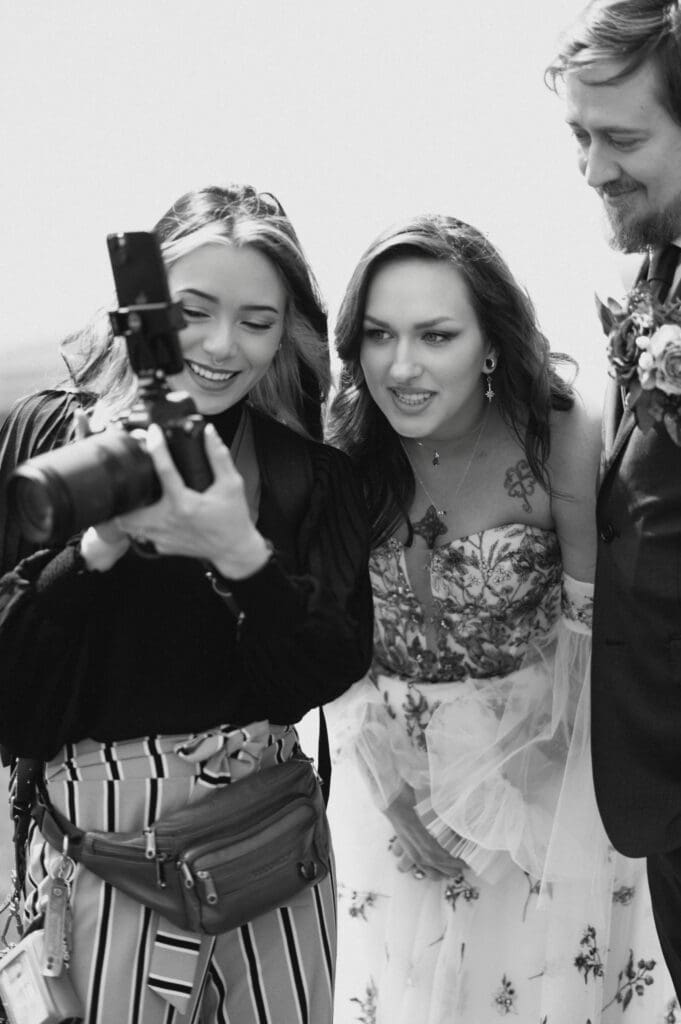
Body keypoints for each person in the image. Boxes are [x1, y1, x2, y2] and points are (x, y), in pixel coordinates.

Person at [0, 183, 373, 1024]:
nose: (218, 345)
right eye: (192, 310)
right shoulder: (45, 442)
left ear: (287, 335)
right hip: (101, 862)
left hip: (269, 858)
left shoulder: (309, 476)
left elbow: (319, 672)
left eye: (255, 320)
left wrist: (239, 554)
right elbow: (10, 696)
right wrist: (98, 547)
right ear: (141, 311)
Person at [324, 214, 676, 1023]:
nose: (401, 366)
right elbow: (321, 626)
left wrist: (524, 766)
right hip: (385, 779)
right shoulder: (341, 448)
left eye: (435, 335)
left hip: (545, 769)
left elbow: (588, 619)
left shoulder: (557, 434)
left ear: (489, 343)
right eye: (378, 335)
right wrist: (382, 777)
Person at [546, 0, 681, 1003]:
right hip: (661, 791)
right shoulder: (660, 275)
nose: (593, 169)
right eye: (581, 136)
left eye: (623, 137)